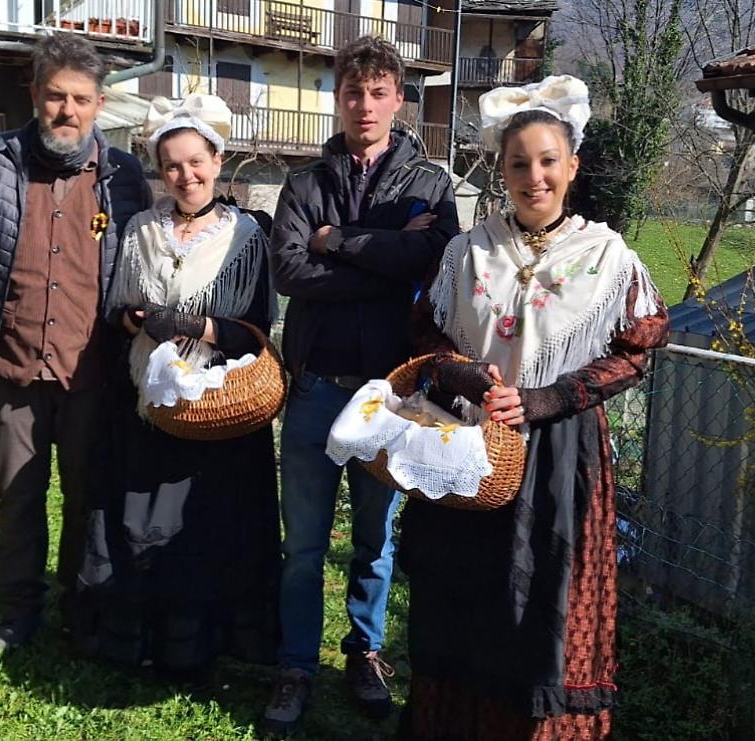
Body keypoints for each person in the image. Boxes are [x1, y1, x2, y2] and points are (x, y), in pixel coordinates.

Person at [398, 75, 670, 740]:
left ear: (572, 165)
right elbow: (428, 336)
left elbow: (636, 351)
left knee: (544, 598)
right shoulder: (467, 253)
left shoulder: (607, 258)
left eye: (548, 160)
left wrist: (548, 398)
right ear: (501, 168)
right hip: (472, 444)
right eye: (519, 163)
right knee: (464, 593)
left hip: (560, 456)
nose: (534, 176)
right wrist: (463, 373)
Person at [262, 35, 459, 735]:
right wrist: (385, 264)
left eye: (379, 92)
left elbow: (434, 262)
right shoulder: (305, 183)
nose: (365, 104)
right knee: (304, 545)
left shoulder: (429, 184)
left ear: (399, 98)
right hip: (315, 385)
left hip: (391, 396)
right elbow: (287, 272)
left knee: (375, 542)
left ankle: (365, 651)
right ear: (337, 97)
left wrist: (335, 242)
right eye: (353, 91)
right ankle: (294, 664)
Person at [0, 32, 152, 656]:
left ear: (99, 105)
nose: (68, 111)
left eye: (82, 99)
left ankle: (80, 604)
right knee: (17, 495)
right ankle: (18, 610)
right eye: (56, 97)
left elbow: (138, 261)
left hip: (91, 370)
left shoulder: (122, 178)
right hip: (14, 368)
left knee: (87, 497)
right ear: (35, 95)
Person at [71, 94, 281, 679]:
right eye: (171, 165)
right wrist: (136, 320)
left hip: (218, 407)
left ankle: (207, 645)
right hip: (150, 405)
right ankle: (142, 640)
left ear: (217, 159)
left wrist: (194, 326)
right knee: (143, 521)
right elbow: (117, 309)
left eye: (196, 162)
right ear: (159, 172)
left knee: (208, 526)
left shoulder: (246, 237)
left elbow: (255, 332)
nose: (185, 175)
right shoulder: (141, 229)